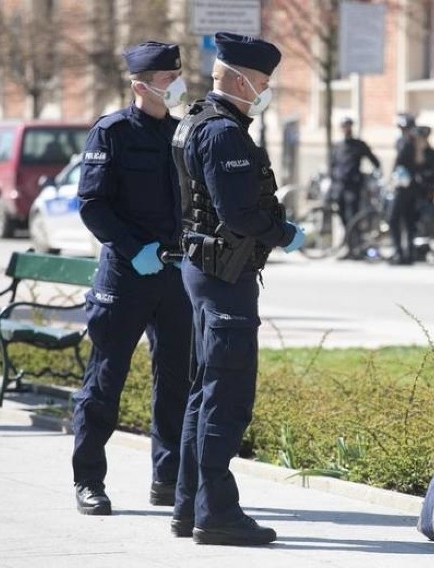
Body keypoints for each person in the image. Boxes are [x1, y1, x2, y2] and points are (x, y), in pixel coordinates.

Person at [169, 32, 305, 546]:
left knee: (203, 393)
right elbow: (239, 214)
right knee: (226, 397)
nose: (265, 91)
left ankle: (188, 507)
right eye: (264, 82)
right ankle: (217, 514)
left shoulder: (193, 122)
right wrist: (284, 234)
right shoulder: (225, 133)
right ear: (239, 77)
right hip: (225, 276)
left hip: (202, 270)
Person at [71, 41, 192, 516]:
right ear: (141, 85)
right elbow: (92, 203)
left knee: (176, 380)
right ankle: (89, 481)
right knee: (105, 379)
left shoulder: (182, 134)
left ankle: (167, 479)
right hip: (126, 275)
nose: (176, 82)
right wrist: (132, 249)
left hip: (175, 275)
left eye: (178, 73)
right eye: (168, 77)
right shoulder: (112, 133)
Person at [389, 125, 434, 265]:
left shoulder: (409, 148)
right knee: (409, 223)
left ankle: (400, 253)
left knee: (394, 219)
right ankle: (409, 253)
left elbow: (398, 164)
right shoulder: (426, 153)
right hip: (417, 193)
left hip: (405, 191)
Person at [329, 116, 380, 228]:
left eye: (348, 126)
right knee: (341, 211)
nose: (346, 129)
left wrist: (374, 174)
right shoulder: (337, 146)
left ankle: (354, 238)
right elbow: (332, 165)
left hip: (353, 184)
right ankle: (348, 235)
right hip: (340, 184)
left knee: (352, 212)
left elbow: (374, 160)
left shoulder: (359, 145)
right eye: (344, 126)